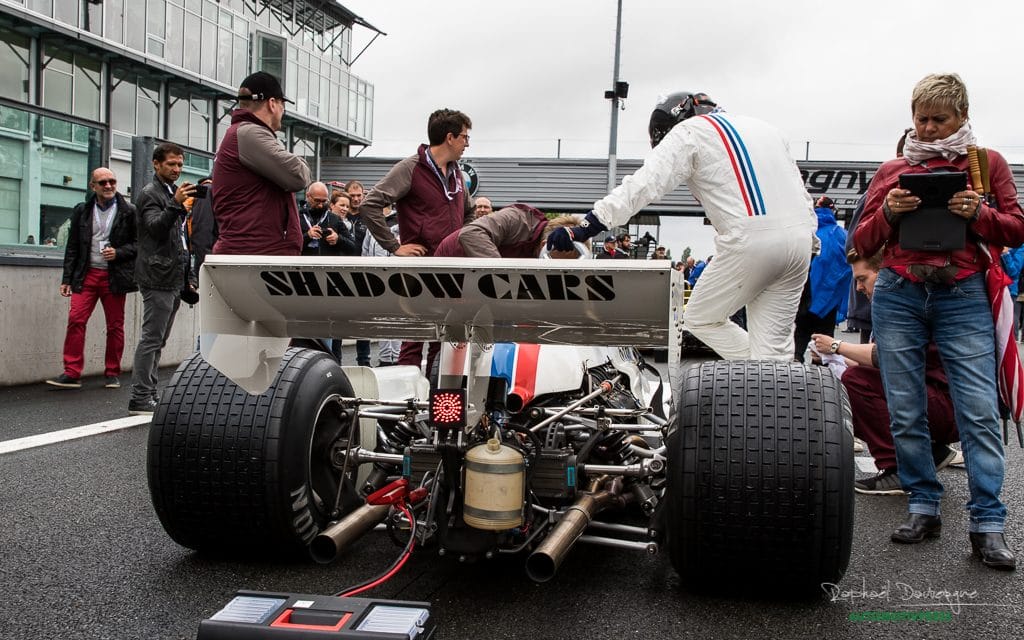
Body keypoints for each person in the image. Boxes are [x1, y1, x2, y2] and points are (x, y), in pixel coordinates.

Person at [853, 73, 1024, 570]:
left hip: (963, 294)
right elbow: (862, 243)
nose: (927, 129)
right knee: (904, 411)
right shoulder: (893, 167)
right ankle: (923, 506)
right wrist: (887, 210)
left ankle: (988, 524)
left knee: (978, 412)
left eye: (938, 119)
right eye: (920, 118)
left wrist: (977, 214)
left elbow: (1017, 227)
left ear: (962, 117)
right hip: (899, 294)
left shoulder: (986, 164)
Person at [549, 91, 817, 361]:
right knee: (775, 352)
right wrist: (811, 247)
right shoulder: (768, 130)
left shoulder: (690, 131)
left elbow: (646, 182)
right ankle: (776, 373)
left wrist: (587, 225)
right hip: (801, 244)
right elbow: (804, 197)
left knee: (701, 318)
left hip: (752, 240)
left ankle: (762, 369)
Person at [810, 249, 958, 496]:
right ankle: (930, 451)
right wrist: (832, 357)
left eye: (862, 278)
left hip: (946, 407)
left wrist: (837, 346)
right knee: (845, 387)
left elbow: (888, 356)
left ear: (885, 274)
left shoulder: (911, 306)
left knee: (854, 383)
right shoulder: (898, 304)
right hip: (939, 402)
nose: (858, 288)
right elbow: (882, 365)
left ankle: (899, 468)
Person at [359, 108, 474, 373]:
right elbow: (370, 205)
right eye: (465, 137)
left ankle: (437, 398)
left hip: (453, 271)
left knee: (443, 339)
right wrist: (395, 246)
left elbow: (468, 212)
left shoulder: (457, 173)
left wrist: (463, 240)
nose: (467, 144)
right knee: (415, 337)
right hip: (421, 269)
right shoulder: (410, 168)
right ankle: (407, 401)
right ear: (449, 137)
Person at [46, 168, 137, 389]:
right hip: (86, 275)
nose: (108, 186)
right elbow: (73, 246)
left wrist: (118, 253)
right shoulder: (82, 211)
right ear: (92, 186)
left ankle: (112, 372)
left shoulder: (129, 211)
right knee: (76, 320)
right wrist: (67, 278)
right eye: (103, 182)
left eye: (112, 181)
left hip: (113, 276)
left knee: (115, 326)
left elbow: (139, 244)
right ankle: (72, 372)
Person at [212, 71, 311, 256]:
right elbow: (298, 176)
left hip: (253, 253)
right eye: (283, 105)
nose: (283, 111)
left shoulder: (241, 133)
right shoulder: (250, 134)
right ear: (272, 104)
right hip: (256, 256)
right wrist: (300, 161)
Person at [129, 143, 194, 415]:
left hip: (172, 275)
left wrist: (187, 275)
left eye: (179, 164)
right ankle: (140, 397)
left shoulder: (167, 192)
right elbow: (155, 228)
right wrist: (175, 205)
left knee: (158, 340)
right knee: (152, 339)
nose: (176, 169)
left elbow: (179, 239)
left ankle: (148, 394)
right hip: (157, 276)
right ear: (156, 164)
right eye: (171, 164)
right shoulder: (150, 193)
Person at [793, 196, 851, 361]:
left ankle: (794, 366)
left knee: (799, 334)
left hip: (802, 295)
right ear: (832, 211)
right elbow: (849, 267)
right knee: (824, 340)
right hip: (828, 299)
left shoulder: (804, 232)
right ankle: (822, 375)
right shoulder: (841, 235)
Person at [320, 192, 359, 257]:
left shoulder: (351, 223)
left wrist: (339, 239)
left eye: (347, 207)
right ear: (332, 205)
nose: (345, 209)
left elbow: (353, 247)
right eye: (342, 205)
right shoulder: (323, 220)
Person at [299, 182, 332, 256]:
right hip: (302, 265)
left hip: (327, 265)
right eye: (317, 201)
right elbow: (289, 245)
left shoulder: (333, 218)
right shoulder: (297, 217)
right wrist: (307, 236)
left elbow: (352, 247)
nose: (320, 205)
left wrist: (338, 239)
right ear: (308, 196)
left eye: (324, 201)